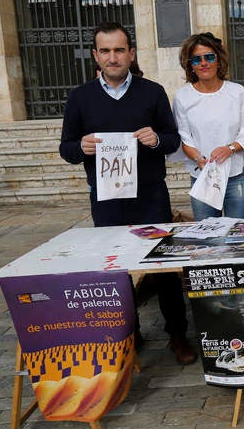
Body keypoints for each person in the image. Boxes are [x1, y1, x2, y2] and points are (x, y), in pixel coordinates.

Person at [59, 21, 196, 365]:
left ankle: (177, 334)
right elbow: (66, 148)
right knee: (116, 270)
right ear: (95, 55)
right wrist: (82, 146)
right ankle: (128, 335)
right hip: (107, 201)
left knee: (163, 266)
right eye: (105, 51)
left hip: (150, 196)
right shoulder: (80, 97)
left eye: (119, 50)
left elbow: (173, 140)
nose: (113, 57)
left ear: (131, 54)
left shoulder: (152, 92)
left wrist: (157, 139)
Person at [172, 32, 244, 220]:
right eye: (196, 59)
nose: (204, 63)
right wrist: (199, 159)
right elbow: (184, 136)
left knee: (238, 237)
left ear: (219, 59)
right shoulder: (182, 97)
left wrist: (230, 149)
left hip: (235, 176)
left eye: (209, 57)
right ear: (190, 65)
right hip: (202, 177)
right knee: (208, 239)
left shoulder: (237, 92)